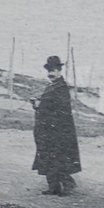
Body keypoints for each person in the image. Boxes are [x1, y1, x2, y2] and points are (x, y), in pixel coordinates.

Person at [30, 55, 81, 196]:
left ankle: (68, 184)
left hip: (57, 130)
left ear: (59, 71)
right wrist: (38, 105)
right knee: (47, 156)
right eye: (49, 71)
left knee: (57, 157)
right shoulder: (52, 86)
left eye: (53, 70)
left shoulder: (61, 88)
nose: (50, 74)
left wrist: (41, 105)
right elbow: (48, 105)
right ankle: (53, 187)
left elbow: (60, 110)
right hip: (47, 129)